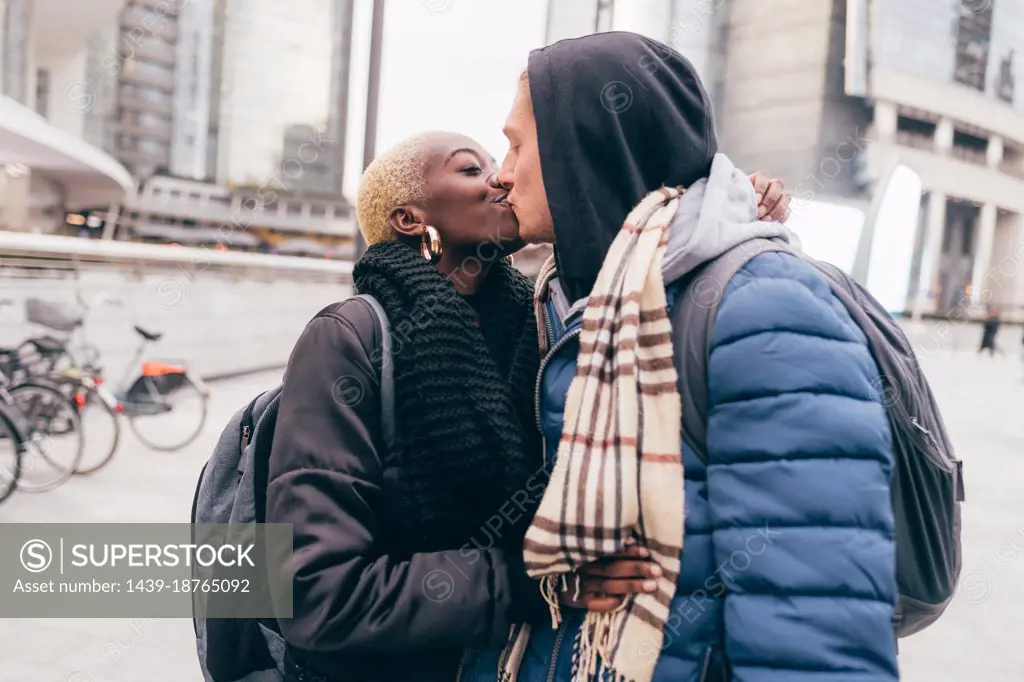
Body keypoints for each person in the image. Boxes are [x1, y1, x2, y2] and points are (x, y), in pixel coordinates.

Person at [266, 127, 792, 682]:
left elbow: (645, 260)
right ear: (409, 220)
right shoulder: (347, 339)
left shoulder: (545, 327)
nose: (499, 178)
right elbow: (309, 589)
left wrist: (730, 207)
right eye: (470, 169)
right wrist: (523, 583)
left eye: (500, 163)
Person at [468, 32, 900, 682]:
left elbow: (813, 620)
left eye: (520, 144)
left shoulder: (766, 308)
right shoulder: (565, 297)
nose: (502, 170)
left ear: (584, 148)